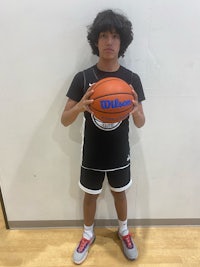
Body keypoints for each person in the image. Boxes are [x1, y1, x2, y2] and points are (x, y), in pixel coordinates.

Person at [61, 9, 145, 265]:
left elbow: (141, 123)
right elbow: (65, 120)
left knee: (120, 193)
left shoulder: (131, 80)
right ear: (96, 41)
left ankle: (124, 231)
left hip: (120, 151)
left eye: (115, 36)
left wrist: (134, 109)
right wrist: (80, 106)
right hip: (93, 152)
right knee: (91, 195)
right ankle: (88, 235)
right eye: (104, 36)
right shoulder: (84, 78)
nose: (109, 41)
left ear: (122, 43)